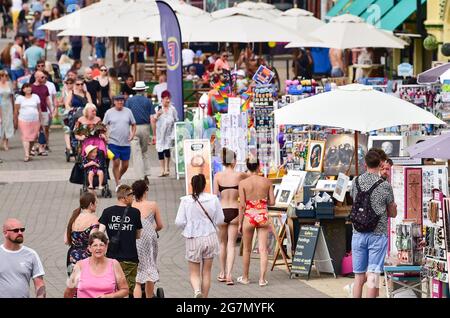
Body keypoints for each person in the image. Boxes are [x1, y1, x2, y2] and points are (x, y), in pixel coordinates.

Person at [349, 150, 397, 298]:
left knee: (358, 278)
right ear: (380, 164)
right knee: (373, 276)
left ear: (365, 164)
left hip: (358, 233)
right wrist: (393, 208)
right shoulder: (385, 186)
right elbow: (392, 213)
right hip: (377, 234)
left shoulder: (355, 181)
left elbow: (354, 198)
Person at [175, 174, 224, 298]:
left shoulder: (186, 201)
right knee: (206, 272)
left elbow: (179, 222)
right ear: (204, 185)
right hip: (210, 236)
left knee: (194, 272)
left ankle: (197, 291)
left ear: (192, 185)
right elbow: (220, 219)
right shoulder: (213, 199)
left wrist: (188, 227)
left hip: (193, 238)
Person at [99, 184, 143, 297]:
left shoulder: (107, 212)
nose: (133, 198)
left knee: (112, 287)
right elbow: (138, 235)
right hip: (130, 257)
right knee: (128, 289)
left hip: (112, 257)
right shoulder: (135, 212)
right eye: (131, 195)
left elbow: (100, 233)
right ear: (124, 197)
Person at [237, 157, 275, 287]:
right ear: (259, 166)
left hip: (249, 216)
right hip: (263, 215)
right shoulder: (267, 182)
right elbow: (272, 202)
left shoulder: (243, 183)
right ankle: (262, 279)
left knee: (247, 249)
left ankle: (245, 277)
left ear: (248, 167)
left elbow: (242, 205)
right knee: (263, 249)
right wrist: (262, 202)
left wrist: (240, 223)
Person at [214, 148, 248, 285]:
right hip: (234, 210)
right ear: (233, 161)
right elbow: (253, 175)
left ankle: (222, 272)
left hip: (221, 210)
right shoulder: (239, 175)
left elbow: (215, 195)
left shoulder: (217, 176)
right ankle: (229, 275)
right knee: (231, 244)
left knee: (222, 244)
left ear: (223, 161)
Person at [64, 231, 129, 298]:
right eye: (95, 245)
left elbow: (125, 290)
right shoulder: (80, 265)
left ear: (106, 247)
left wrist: (110, 296)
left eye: (101, 245)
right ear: (89, 248)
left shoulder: (114, 264)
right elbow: (69, 292)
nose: (98, 248)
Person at [131, 180, 163, 298]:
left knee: (137, 275)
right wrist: (150, 228)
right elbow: (160, 225)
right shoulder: (152, 205)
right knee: (150, 268)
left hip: (135, 239)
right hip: (149, 241)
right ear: (145, 191)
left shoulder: (131, 205)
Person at [0, 218, 46, 298]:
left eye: (22, 230)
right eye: (16, 230)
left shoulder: (31, 254)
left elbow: (39, 284)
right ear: (5, 233)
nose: (20, 233)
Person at [103, 95, 136, 187]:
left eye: (122, 101)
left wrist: (132, 135)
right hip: (113, 142)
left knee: (125, 165)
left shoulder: (128, 111)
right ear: (114, 102)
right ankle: (118, 183)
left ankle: (118, 177)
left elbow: (133, 124)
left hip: (126, 142)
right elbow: (103, 126)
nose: (120, 102)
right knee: (116, 161)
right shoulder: (109, 112)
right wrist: (105, 136)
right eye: (118, 101)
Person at [125, 81, 154, 183]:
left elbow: (126, 115)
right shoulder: (148, 101)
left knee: (136, 154)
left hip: (133, 127)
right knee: (144, 152)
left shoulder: (129, 101)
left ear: (136, 90)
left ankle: (140, 177)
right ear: (144, 90)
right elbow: (152, 118)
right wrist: (153, 133)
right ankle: (146, 173)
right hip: (145, 127)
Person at [65, 192, 99, 276]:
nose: (97, 205)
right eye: (96, 202)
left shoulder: (73, 218)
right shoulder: (94, 219)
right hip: (87, 255)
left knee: (73, 283)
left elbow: (66, 240)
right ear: (91, 204)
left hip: (72, 255)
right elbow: (93, 241)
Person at [13, 83, 41, 162]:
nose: (28, 89)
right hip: (23, 120)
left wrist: (40, 120)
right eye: (26, 88)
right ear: (23, 89)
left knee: (32, 138)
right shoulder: (19, 98)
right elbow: (16, 110)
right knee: (25, 137)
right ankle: (26, 155)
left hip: (35, 120)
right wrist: (15, 121)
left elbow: (39, 109)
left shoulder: (35, 97)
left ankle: (28, 152)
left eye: (29, 87)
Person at [155, 90, 178, 177]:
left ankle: (167, 168)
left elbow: (176, 119)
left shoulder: (172, 109)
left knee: (167, 149)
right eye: (166, 99)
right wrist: (157, 115)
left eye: (169, 99)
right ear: (162, 99)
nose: (168, 101)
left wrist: (174, 131)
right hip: (160, 133)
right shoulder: (158, 108)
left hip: (169, 133)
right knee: (160, 150)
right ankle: (162, 169)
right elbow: (154, 119)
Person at [32, 70, 52, 154]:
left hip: (44, 111)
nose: (44, 79)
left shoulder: (45, 87)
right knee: (35, 130)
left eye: (45, 77)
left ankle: (41, 147)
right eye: (42, 77)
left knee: (43, 129)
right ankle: (33, 146)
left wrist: (50, 110)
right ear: (36, 77)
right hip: (34, 112)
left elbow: (47, 99)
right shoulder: (31, 87)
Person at [0, 70, 14, 151]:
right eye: (2, 76)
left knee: (8, 123)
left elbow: (12, 96)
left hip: (8, 105)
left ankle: (5, 142)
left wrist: (13, 107)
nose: (4, 77)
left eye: (5, 75)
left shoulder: (9, 84)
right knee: (1, 123)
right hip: (1, 105)